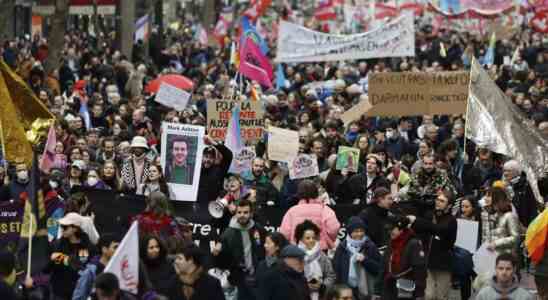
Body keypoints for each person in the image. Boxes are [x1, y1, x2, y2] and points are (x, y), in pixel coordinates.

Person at [406, 189, 457, 300]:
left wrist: (417, 221)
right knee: (428, 295)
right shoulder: (430, 215)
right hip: (428, 261)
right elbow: (422, 229)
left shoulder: (451, 220)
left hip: (443, 264)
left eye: (442, 201)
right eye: (437, 199)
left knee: (441, 296)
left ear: (449, 206)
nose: (438, 202)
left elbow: (439, 229)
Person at [214, 199, 266, 300]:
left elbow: (265, 248)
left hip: (258, 275)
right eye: (239, 212)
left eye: (246, 212)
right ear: (235, 213)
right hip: (238, 278)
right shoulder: (228, 233)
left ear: (251, 213)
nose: (242, 215)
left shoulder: (259, 229)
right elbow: (222, 260)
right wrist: (217, 252)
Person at [45, 212, 95, 299]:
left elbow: (82, 268)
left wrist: (63, 258)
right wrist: (50, 260)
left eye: (65, 227)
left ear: (75, 228)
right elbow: (46, 269)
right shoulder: (56, 244)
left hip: (78, 293)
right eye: (61, 226)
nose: (62, 229)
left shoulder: (87, 246)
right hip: (58, 292)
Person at [280, 180, 340, 251]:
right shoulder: (324, 209)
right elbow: (334, 228)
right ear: (316, 193)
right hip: (320, 249)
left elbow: (284, 233)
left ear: (299, 194)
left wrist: (292, 243)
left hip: (297, 249)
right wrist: (328, 240)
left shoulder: (292, 211)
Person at [333, 217, 382, 300]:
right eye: (356, 231)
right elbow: (336, 269)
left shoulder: (370, 247)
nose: (359, 234)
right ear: (349, 232)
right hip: (346, 289)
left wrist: (365, 260)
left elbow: (379, 269)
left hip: (366, 291)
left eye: (361, 231)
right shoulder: (342, 247)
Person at [382, 217, 427, 300]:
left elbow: (420, 270)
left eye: (392, 229)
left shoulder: (413, 244)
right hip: (390, 286)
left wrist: (419, 294)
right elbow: (383, 266)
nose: (390, 232)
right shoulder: (392, 242)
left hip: (406, 287)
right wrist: (377, 290)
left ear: (401, 230)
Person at [295, 220, 336, 300]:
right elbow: (290, 278)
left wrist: (322, 286)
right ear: (301, 239)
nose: (311, 240)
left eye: (314, 238)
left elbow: (331, 276)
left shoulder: (322, 256)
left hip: (320, 296)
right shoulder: (295, 256)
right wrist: (305, 285)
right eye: (307, 238)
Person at [73, 233, 121, 300]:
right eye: (115, 247)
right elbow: (79, 296)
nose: (119, 250)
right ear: (104, 249)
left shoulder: (121, 268)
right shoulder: (90, 272)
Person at [197, 136, 233, 208]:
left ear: (214, 159)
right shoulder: (196, 171)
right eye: (206, 156)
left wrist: (213, 143)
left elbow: (229, 155)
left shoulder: (219, 170)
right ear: (202, 157)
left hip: (213, 209)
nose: (208, 160)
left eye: (211, 157)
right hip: (196, 207)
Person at [502, 160, 538, 226]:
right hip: (512, 224)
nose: (505, 173)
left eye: (509, 171)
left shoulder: (526, 185)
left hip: (527, 225)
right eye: (504, 171)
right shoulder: (505, 186)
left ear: (516, 172)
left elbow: (532, 208)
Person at [256, 232, 289, 300]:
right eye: (265, 243)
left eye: (268, 243)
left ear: (277, 246)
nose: (265, 245)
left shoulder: (285, 265)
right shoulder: (262, 264)